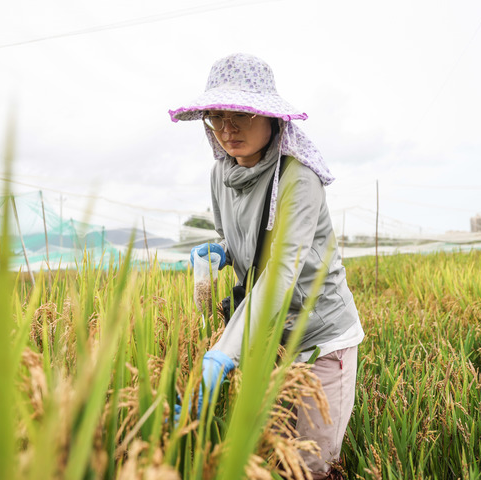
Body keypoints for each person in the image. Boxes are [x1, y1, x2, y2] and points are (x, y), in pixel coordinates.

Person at [169, 53, 364, 479]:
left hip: (319, 337)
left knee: (310, 464)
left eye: (240, 113)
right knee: (275, 451)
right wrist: (221, 252)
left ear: (271, 117)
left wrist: (221, 355)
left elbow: (280, 273)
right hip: (268, 337)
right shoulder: (221, 175)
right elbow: (244, 238)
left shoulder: (298, 177)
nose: (226, 128)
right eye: (216, 116)